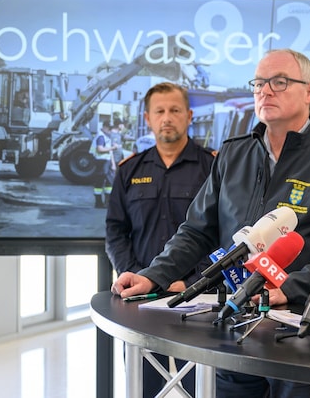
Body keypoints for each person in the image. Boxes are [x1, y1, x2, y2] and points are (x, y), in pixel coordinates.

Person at [110, 49, 310, 398]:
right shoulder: (233, 153)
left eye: (279, 82)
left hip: (300, 331)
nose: (265, 91)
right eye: (259, 83)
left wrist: (286, 290)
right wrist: (153, 275)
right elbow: (196, 231)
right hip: (234, 323)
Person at [105, 82, 215, 398]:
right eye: (160, 111)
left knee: (203, 386)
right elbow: (115, 231)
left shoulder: (213, 167)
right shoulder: (129, 170)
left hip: (196, 299)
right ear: (148, 118)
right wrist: (138, 277)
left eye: (175, 110)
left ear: (189, 116)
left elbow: (224, 234)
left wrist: (194, 282)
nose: (167, 117)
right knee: (142, 387)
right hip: (140, 301)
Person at [90, 119, 117, 208]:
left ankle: (107, 202)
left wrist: (113, 164)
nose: (110, 130)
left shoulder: (106, 136)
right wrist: (113, 148)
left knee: (109, 182)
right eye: (109, 128)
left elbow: (109, 152)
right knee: (100, 182)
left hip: (106, 161)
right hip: (101, 161)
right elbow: (100, 149)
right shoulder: (101, 136)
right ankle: (98, 202)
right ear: (104, 127)